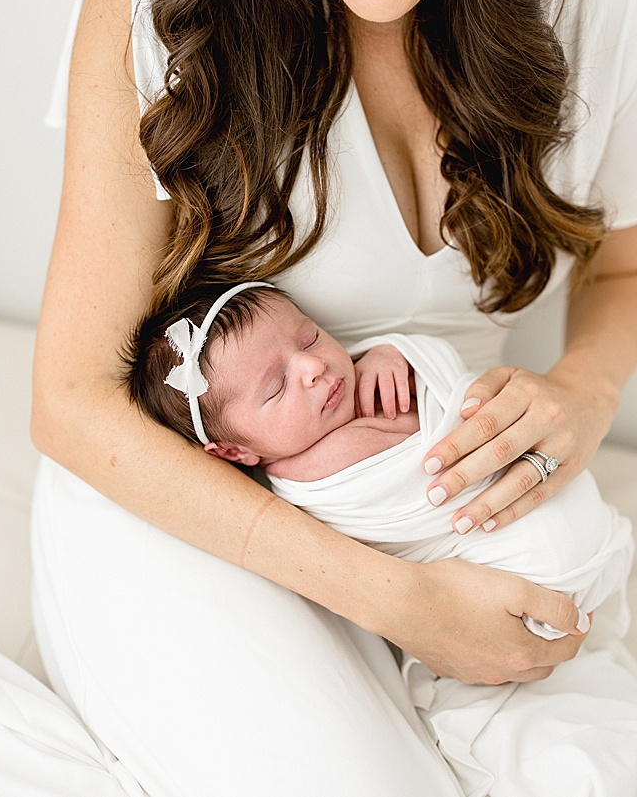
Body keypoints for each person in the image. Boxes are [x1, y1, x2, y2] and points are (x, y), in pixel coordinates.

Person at [30, 0, 637, 793]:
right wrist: (397, 601)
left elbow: (621, 262)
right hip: (202, 498)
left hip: (433, 475)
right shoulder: (150, 2)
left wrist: (580, 388)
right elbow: (70, 400)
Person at [124, 281, 636, 795]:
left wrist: (399, 355)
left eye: (308, 339)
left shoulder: (366, 379)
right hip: (509, 592)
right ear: (235, 453)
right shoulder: (307, 479)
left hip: (572, 528)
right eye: (277, 387)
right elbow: (423, 469)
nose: (313, 368)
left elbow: (453, 385)